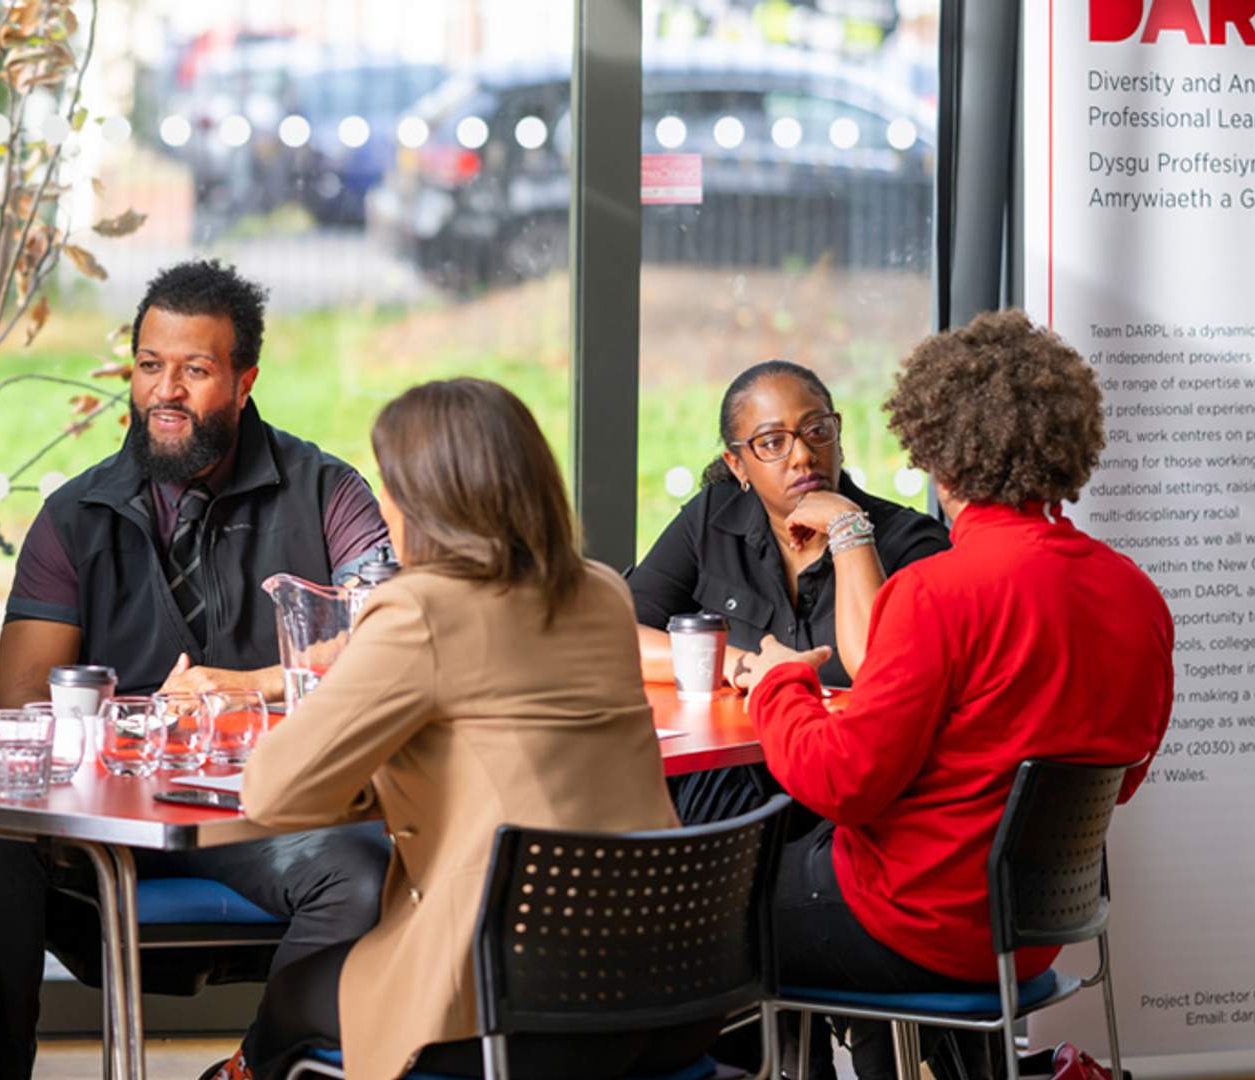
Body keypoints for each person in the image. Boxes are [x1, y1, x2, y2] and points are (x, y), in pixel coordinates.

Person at [0, 259, 392, 1077]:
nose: (166, 391)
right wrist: (137, 729)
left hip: (266, 815)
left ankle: (253, 1068)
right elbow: (21, 709)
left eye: (194, 370)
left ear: (245, 379)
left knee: (363, 872)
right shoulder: (72, 515)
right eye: (150, 366)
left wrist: (246, 686)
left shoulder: (328, 491)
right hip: (108, 824)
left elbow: (392, 635)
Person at [223, 378, 708, 1080]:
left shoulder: (418, 610)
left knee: (294, 996)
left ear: (426, 500)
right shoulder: (599, 590)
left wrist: (366, 768)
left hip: (512, 1006)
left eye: (390, 485)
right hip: (671, 991)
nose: (382, 506)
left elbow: (271, 793)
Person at [736, 311, 1175, 1080]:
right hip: (1033, 932)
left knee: (707, 915)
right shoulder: (1135, 595)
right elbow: (1122, 779)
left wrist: (780, 684)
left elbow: (843, 783)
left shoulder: (938, 593)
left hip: (914, 926)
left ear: (936, 452)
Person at [626, 360, 947, 825]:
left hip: (849, 810)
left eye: (817, 430)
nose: (802, 456)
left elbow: (885, 672)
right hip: (732, 783)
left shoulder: (910, 543)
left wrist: (848, 529)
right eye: (772, 443)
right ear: (738, 464)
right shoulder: (710, 520)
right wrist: (740, 665)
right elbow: (616, 637)